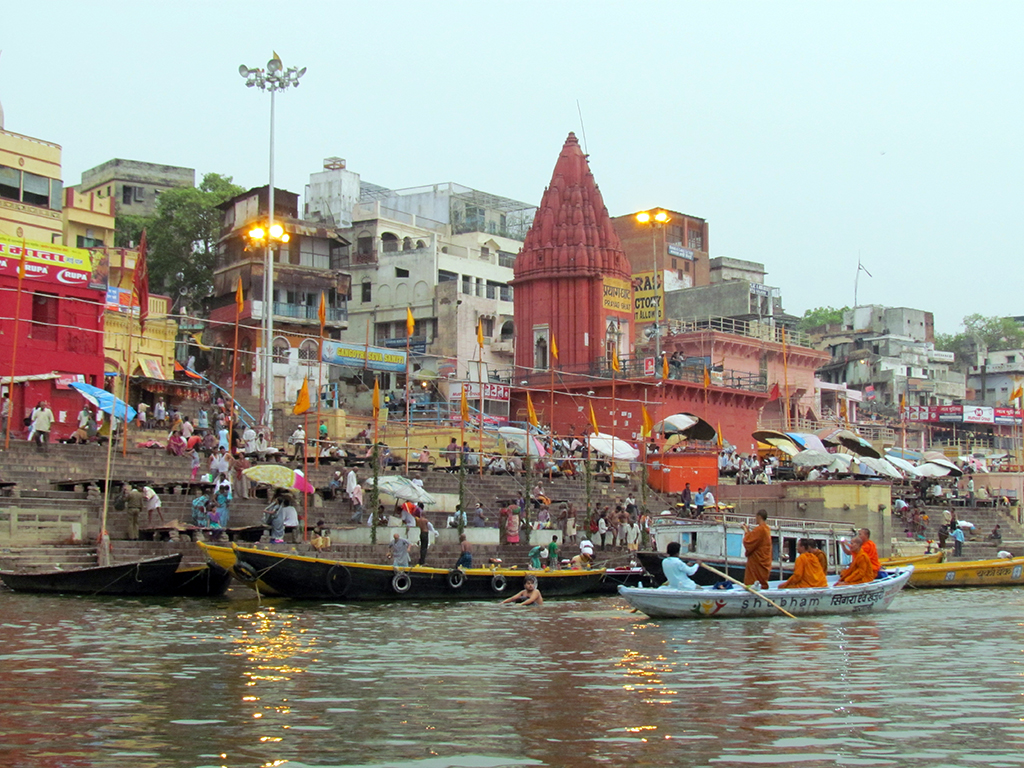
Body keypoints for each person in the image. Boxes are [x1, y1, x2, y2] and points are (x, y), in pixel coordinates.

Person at [742, 510, 772, 589]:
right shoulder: (767, 528)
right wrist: (748, 530)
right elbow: (755, 539)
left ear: (759, 517)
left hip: (757, 560)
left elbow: (748, 541)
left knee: (753, 581)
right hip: (763, 559)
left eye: (756, 517)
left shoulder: (760, 529)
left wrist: (745, 530)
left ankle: (753, 587)